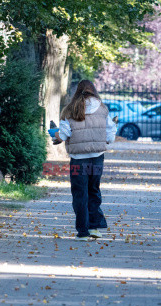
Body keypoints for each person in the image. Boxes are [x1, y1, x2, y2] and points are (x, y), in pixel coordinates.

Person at [54, 80, 117, 241]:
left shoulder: (70, 109)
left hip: (77, 160)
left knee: (80, 193)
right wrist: (107, 140)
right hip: (97, 158)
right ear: (94, 91)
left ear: (77, 91)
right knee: (94, 190)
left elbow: (64, 134)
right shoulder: (102, 108)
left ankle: (82, 231)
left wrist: (56, 136)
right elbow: (110, 131)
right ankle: (94, 227)